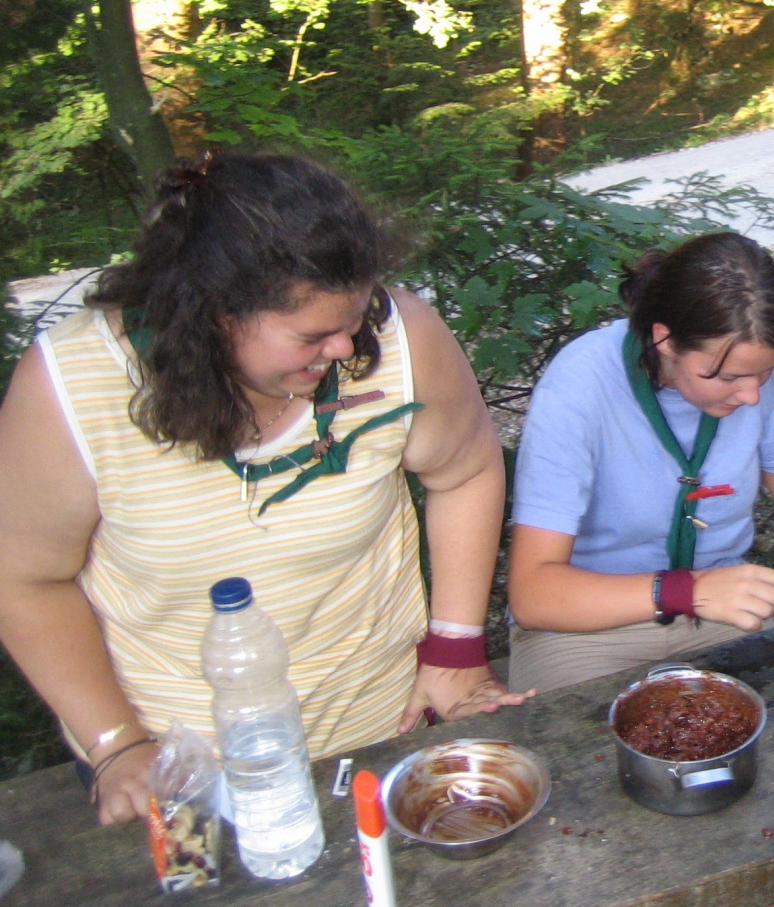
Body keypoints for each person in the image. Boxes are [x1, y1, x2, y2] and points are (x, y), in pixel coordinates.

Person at [0, 152, 532, 827]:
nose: (345, 347)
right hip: (179, 771)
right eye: (314, 334)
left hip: (384, 727)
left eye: (357, 314)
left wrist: (455, 650)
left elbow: (467, 470)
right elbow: (23, 579)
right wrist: (117, 745)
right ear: (213, 313)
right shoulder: (73, 390)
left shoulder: (399, 337)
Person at [506, 231, 774, 696]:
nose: (751, 394)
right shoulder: (579, 386)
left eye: (764, 373)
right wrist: (689, 590)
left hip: (718, 611)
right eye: (728, 377)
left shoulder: (756, 358)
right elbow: (534, 594)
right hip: (586, 626)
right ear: (664, 340)